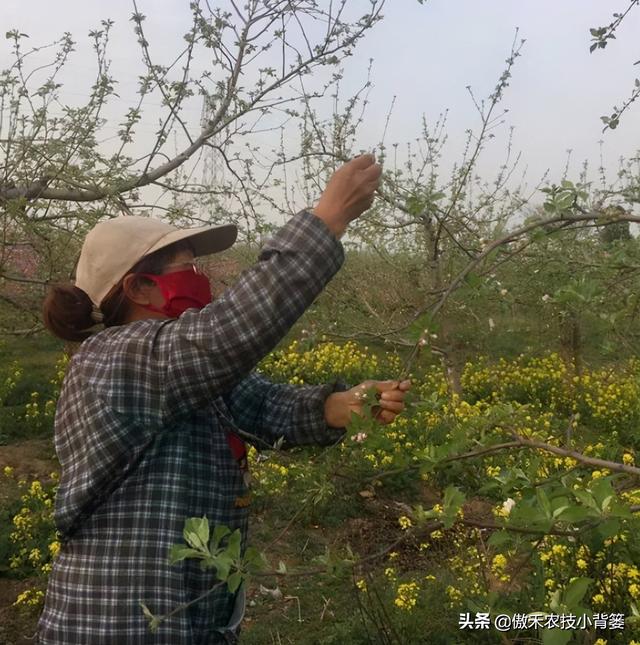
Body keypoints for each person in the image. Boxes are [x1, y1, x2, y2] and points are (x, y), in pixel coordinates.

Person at [36, 154, 411, 644]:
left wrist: (338, 406)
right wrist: (327, 220)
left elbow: (259, 406)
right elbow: (225, 335)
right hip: (117, 621)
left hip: (184, 616)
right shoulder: (111, 359)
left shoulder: (177, 370)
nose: (200, 277)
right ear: (139, 287)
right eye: (188, 266)